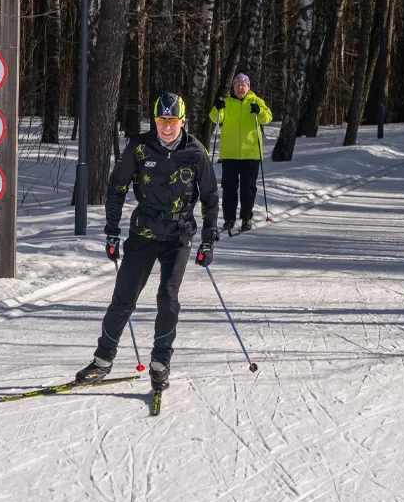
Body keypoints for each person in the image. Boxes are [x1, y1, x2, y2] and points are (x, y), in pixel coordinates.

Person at [76, 93, 220, 393]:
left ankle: (160, 363)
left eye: (172, 121)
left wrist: (208, 238)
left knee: (167, 297)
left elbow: (209, 195)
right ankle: (103, 360)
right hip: (143, 233)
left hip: (178, 235)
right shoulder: (139, 147)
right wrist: (112, 230)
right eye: (161, 121)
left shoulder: (195, 151)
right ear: (154, 121)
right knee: (124, 296)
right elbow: (116, 188)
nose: (166, 127)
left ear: (183, 121)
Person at [209, 73, 273, 234]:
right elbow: (214, 118)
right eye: (237, 85)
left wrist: (259, 111)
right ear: (234, 87)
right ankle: (229, 219)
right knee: (229, 188)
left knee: (248, 188)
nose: (240, 88)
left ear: (248, 87)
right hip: (230, 153)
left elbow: (268, 118)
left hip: (250, 153)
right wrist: (217, 107)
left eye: (243, 85)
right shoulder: (227, 102)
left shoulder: (256, 101)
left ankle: (246, 217)